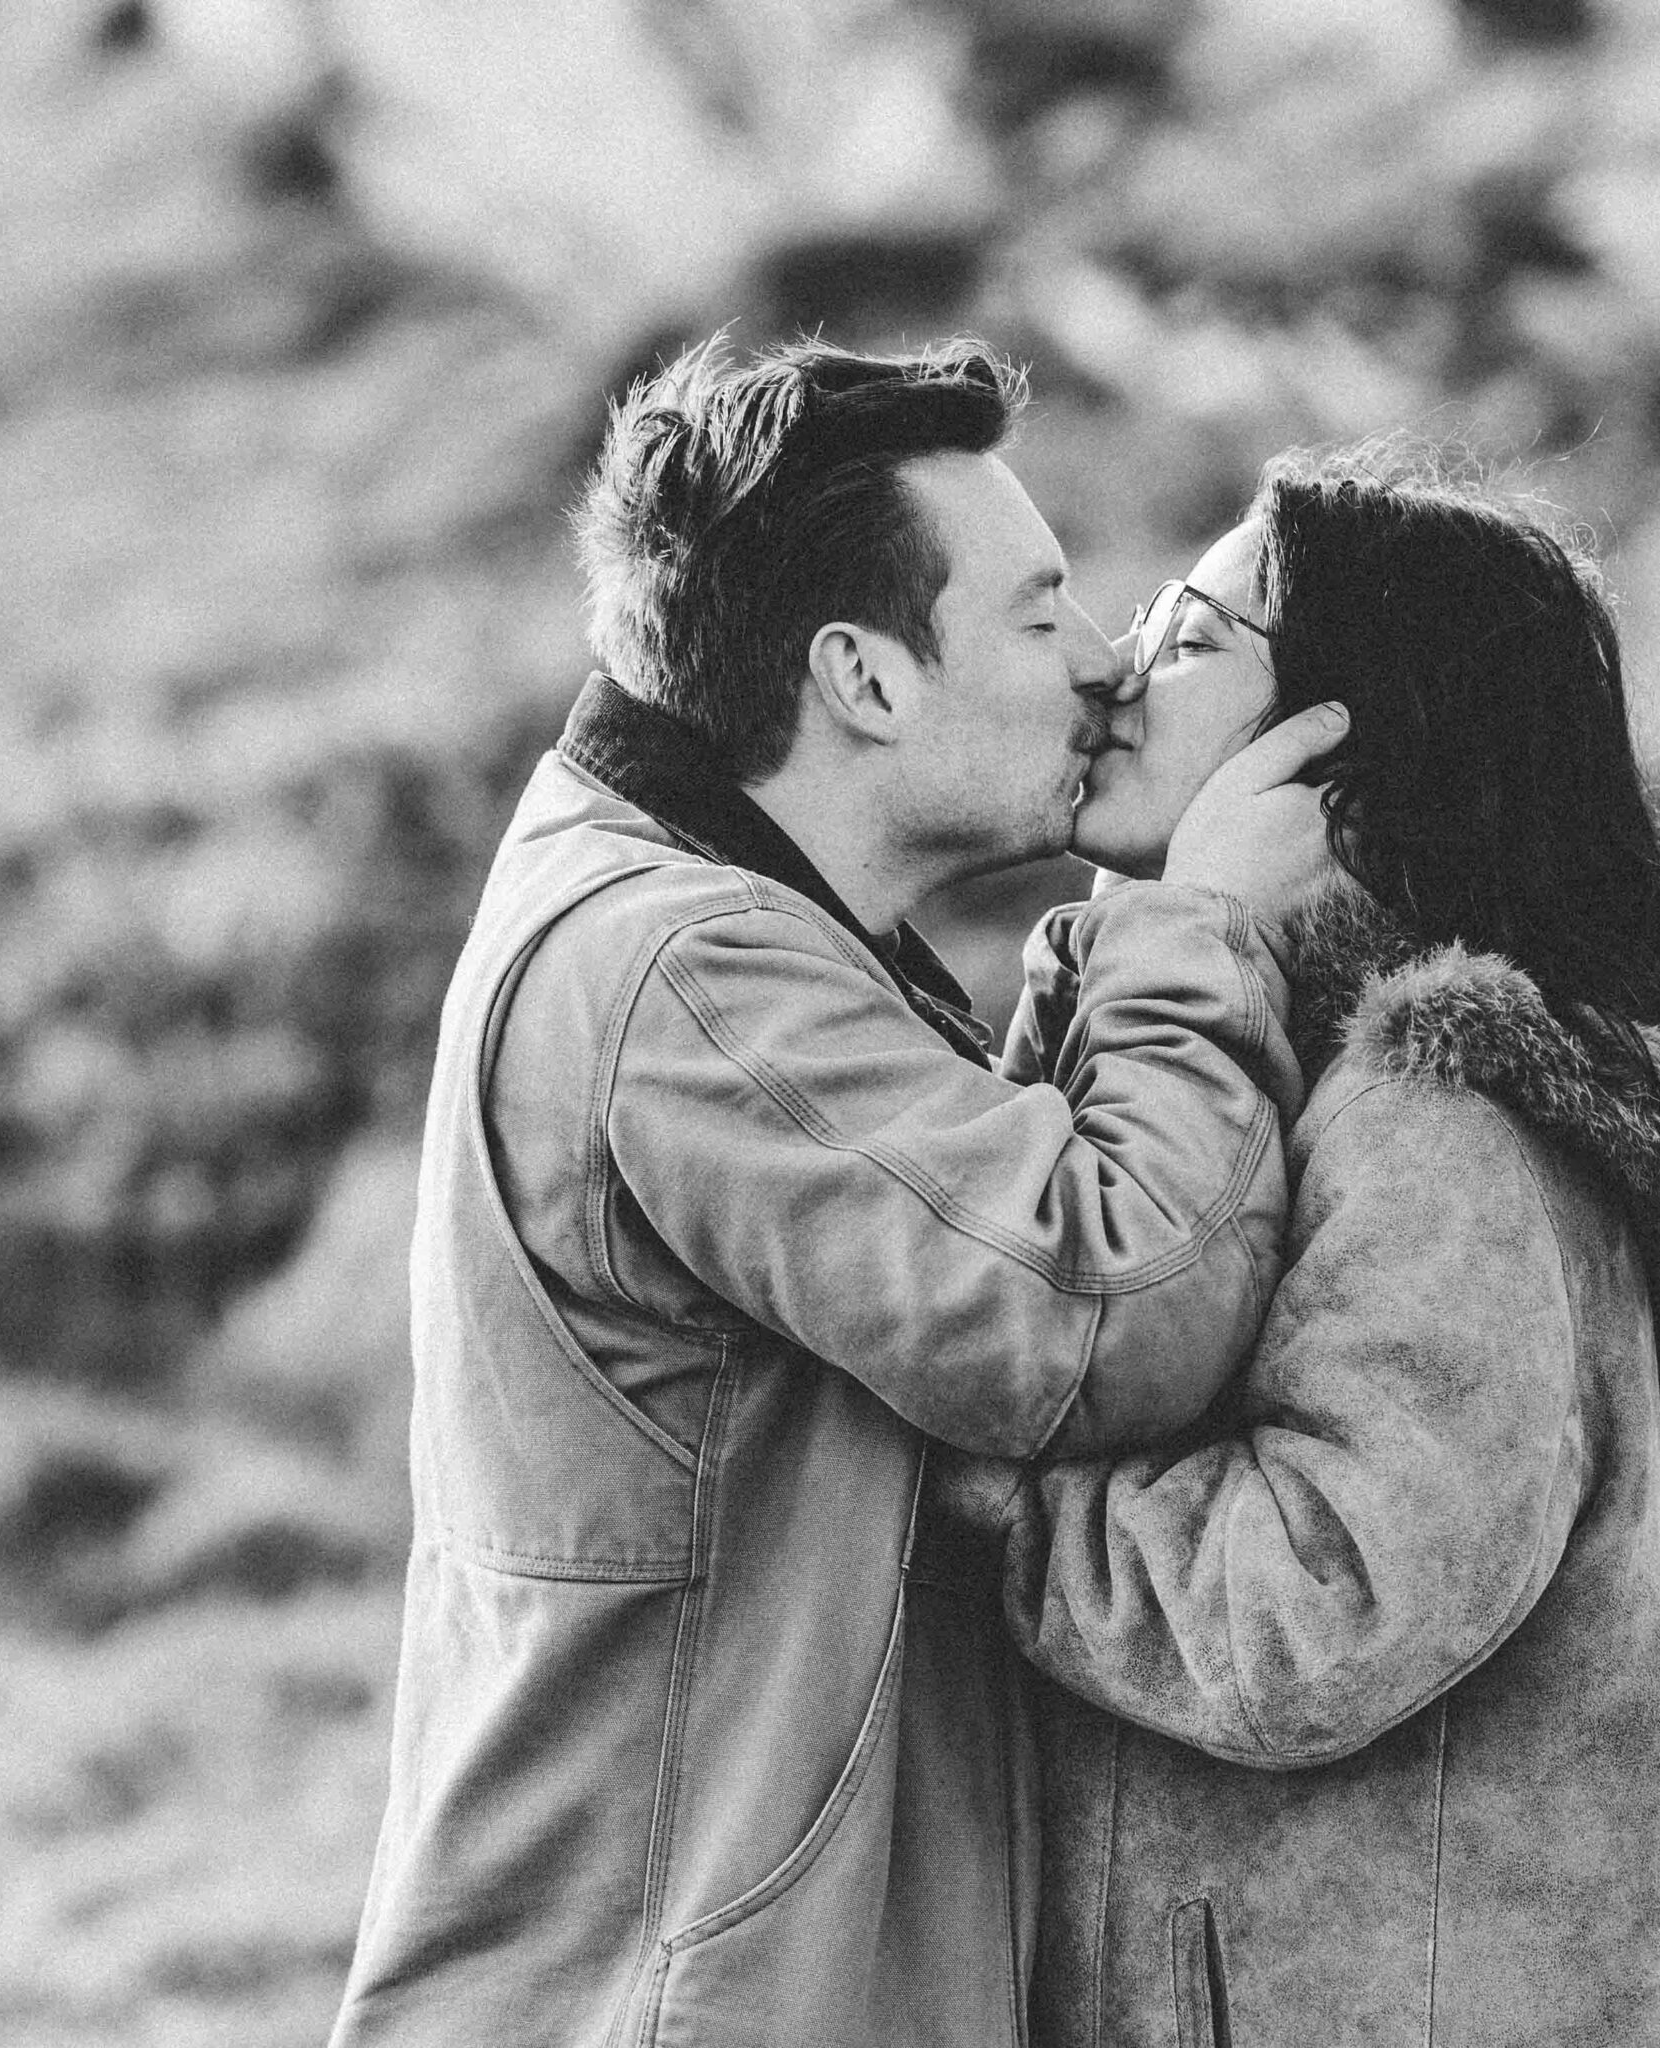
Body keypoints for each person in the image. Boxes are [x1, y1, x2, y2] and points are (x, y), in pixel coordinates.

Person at [327, 338, 1347, 2048]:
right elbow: (1106, 1318)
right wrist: (1206, 928)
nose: (1103, 666)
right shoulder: (691, 973)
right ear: (863, 679)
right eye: (1037, 615)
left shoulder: (718, 919)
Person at [943, 447, 1660, 2048]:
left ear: (1340, 756)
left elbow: (1321, 1612)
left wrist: (972, 1474)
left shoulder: (1436, 1123)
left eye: (1192, 640)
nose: (1113, 667)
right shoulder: (1284, 1076)